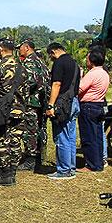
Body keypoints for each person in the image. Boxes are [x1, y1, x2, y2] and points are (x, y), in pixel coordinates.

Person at [0, 37, 32, 186]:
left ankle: (5, 174)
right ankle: (12, 172)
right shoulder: (23, 68)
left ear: (0, 49)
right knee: (15, 141)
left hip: (2, 111)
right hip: (19, 110)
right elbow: (27, 90)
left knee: (2, 141)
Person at [45, 42, 80, 180]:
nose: (51, 58)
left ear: (53, 51)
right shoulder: (74, 63)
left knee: (61, 136)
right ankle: (70, 168)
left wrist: (50, 105)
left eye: (50, 55)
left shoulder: (59, 63)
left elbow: (56, 83)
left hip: (63, 103)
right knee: (70, 137)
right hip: (74, 101)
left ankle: (64, 170)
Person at [18, 38, 50, 172]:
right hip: (42, 102)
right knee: (40, 129)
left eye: (20, 47)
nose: (19, 50)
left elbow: (30, 81)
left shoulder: (30, 62)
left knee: (30, 131)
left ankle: (31, 159)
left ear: (26, 48)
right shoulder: (41, 62)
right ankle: (39, 156)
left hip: (32, 102)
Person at [77, 50, 110, 172]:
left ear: (92, 61)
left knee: (88, 136)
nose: (86, 61)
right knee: (97, 136)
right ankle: (98, 162)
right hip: (99, 104)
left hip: (88, 106)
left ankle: (91, 164)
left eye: (87, 59)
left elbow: (79, 88)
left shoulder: (92, 74)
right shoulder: (104, 74)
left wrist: (79, 78)